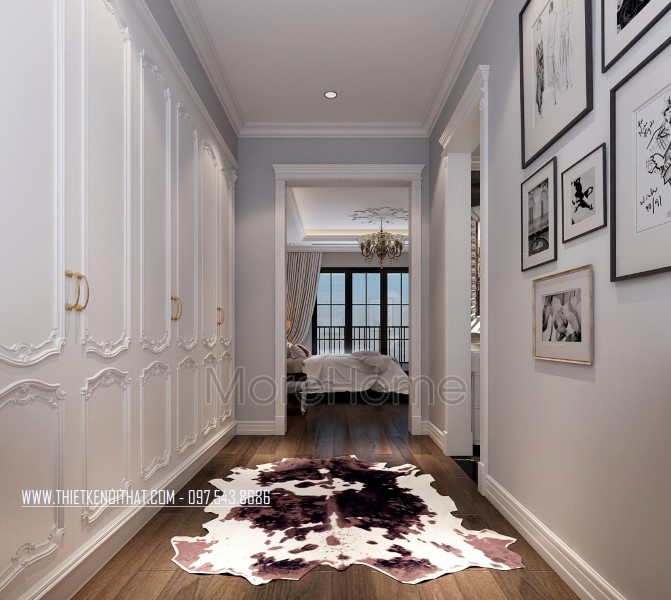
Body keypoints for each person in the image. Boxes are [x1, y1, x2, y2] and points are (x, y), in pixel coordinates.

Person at [646, 97, 671, 186]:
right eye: (668, 109)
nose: (670, 111)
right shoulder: (658, 135)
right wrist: (659, 171)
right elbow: (647, 158)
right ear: (664, 114)